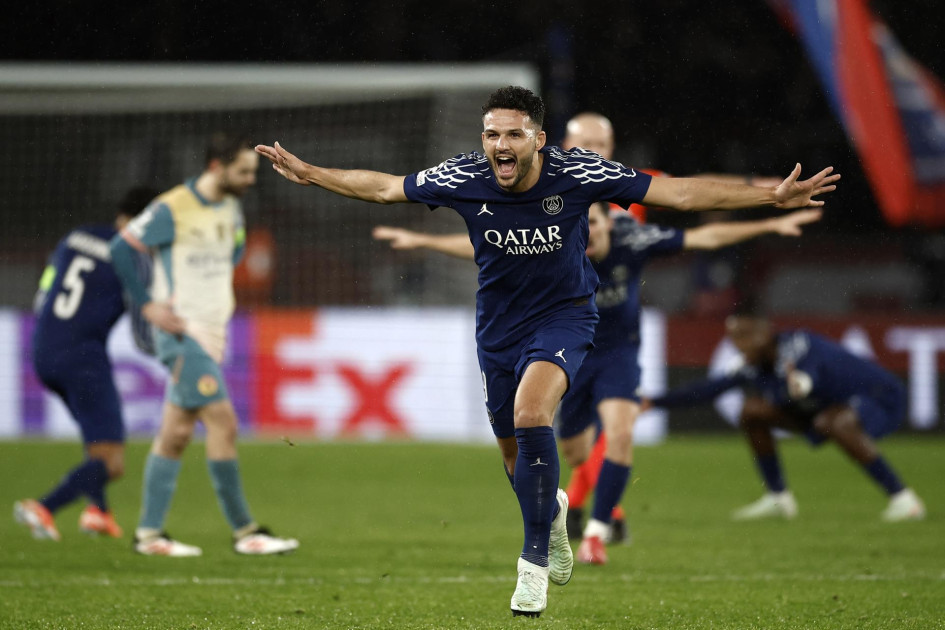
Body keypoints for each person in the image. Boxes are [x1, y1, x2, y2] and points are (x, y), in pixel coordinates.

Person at [256, 85, 839, 616]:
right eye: (491, 134)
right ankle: (551, 516)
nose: (499, 145)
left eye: (512, 134)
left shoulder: (579, 172)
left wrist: (770, 196)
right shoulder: (464, 176)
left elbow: (679, 193)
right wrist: (312, 173)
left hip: (564, 318)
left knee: (532, 415)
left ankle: (532, 564)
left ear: (538, 139)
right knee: (514, 457)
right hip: (498, 331)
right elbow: (384, 187)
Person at [374, 203, 822, 565]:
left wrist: (770, 222)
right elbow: (485, 245)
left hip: (618, 356)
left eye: (593, 224)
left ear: (612, 223)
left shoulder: (634, 239)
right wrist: (427, 241)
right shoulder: (559, 243)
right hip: (569, 355)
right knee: (574, 452)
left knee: (621, 431)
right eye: (580, 226)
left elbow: (705, 236)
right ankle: (591, 510)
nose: (585, 233)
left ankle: (597, 532)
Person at [109, 132, 299, 557]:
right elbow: (120, 250)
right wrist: (149, 307)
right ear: (217, 167)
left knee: (175, 434)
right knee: (223, 423)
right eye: (244, 171)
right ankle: (246, 532)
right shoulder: (173, 207)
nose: (251, 179)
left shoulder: (231, 207)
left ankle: (150, 535)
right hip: (181, 333)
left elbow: (233, 251)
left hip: (212, 332)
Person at [642, 313, 926, 522]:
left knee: (835, 422)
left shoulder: (799, 346)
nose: (738, 344)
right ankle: (778, 498)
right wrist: (653, 402)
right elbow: (707, 390)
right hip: (823, 409)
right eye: (733, 338)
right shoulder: (753, 364)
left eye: (744, 335)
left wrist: (799, 385)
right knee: (753, 411)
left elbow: (807, 377)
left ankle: (904, 500)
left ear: (764, 333)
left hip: (880, 396)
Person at [14, 186, 159, 542]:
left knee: (97, 441)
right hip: (83, 357)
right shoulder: (133, 257)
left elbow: (44, 289)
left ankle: (99, 513)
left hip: (43, 347)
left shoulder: (78, 235)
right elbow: (143, 335)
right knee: (112, 461)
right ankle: (44, 507)